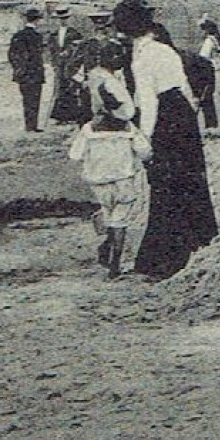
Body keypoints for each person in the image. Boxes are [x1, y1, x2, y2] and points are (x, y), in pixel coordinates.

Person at [113, 0, 220, 279]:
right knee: (192, 181)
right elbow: (184, 88)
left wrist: (144, 140)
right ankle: (202, 241)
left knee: (165, 187)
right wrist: (191, 114)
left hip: (165, 121)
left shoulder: (144, 56)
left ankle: (164, 261)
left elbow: (149, 101)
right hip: (183, 117)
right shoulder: (165, 50)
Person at [69, 44, 152, 279]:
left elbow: (75, 154)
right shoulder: (127, 127)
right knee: (121, 219)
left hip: (98, 179)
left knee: (107, 212)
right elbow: (146, 152)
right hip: (123, 178)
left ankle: (107, 244)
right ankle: (115, 262)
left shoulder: (90, 128)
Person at [47, 6, 90, 127]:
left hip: (70, 65)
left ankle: (72, 115)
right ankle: (61, 116)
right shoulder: (54, 34)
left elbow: (80, 48)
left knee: (71, 88)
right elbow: (51, 50)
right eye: (60, 19)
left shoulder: (74, 33)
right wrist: (54, 63)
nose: (63, 21)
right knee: (60, 89)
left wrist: (69, 51)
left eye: (65, 18)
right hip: (59, 65)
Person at [8, 8, 46, 132]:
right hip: (34, 73)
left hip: (23, 74)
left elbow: (12, 54)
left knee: (26, 99)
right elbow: (37, 56)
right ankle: (32, 126)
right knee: (34, 99)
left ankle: (29, 125)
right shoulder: (37, 36)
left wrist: (18, 69)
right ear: (37, 20)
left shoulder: (18, 35)